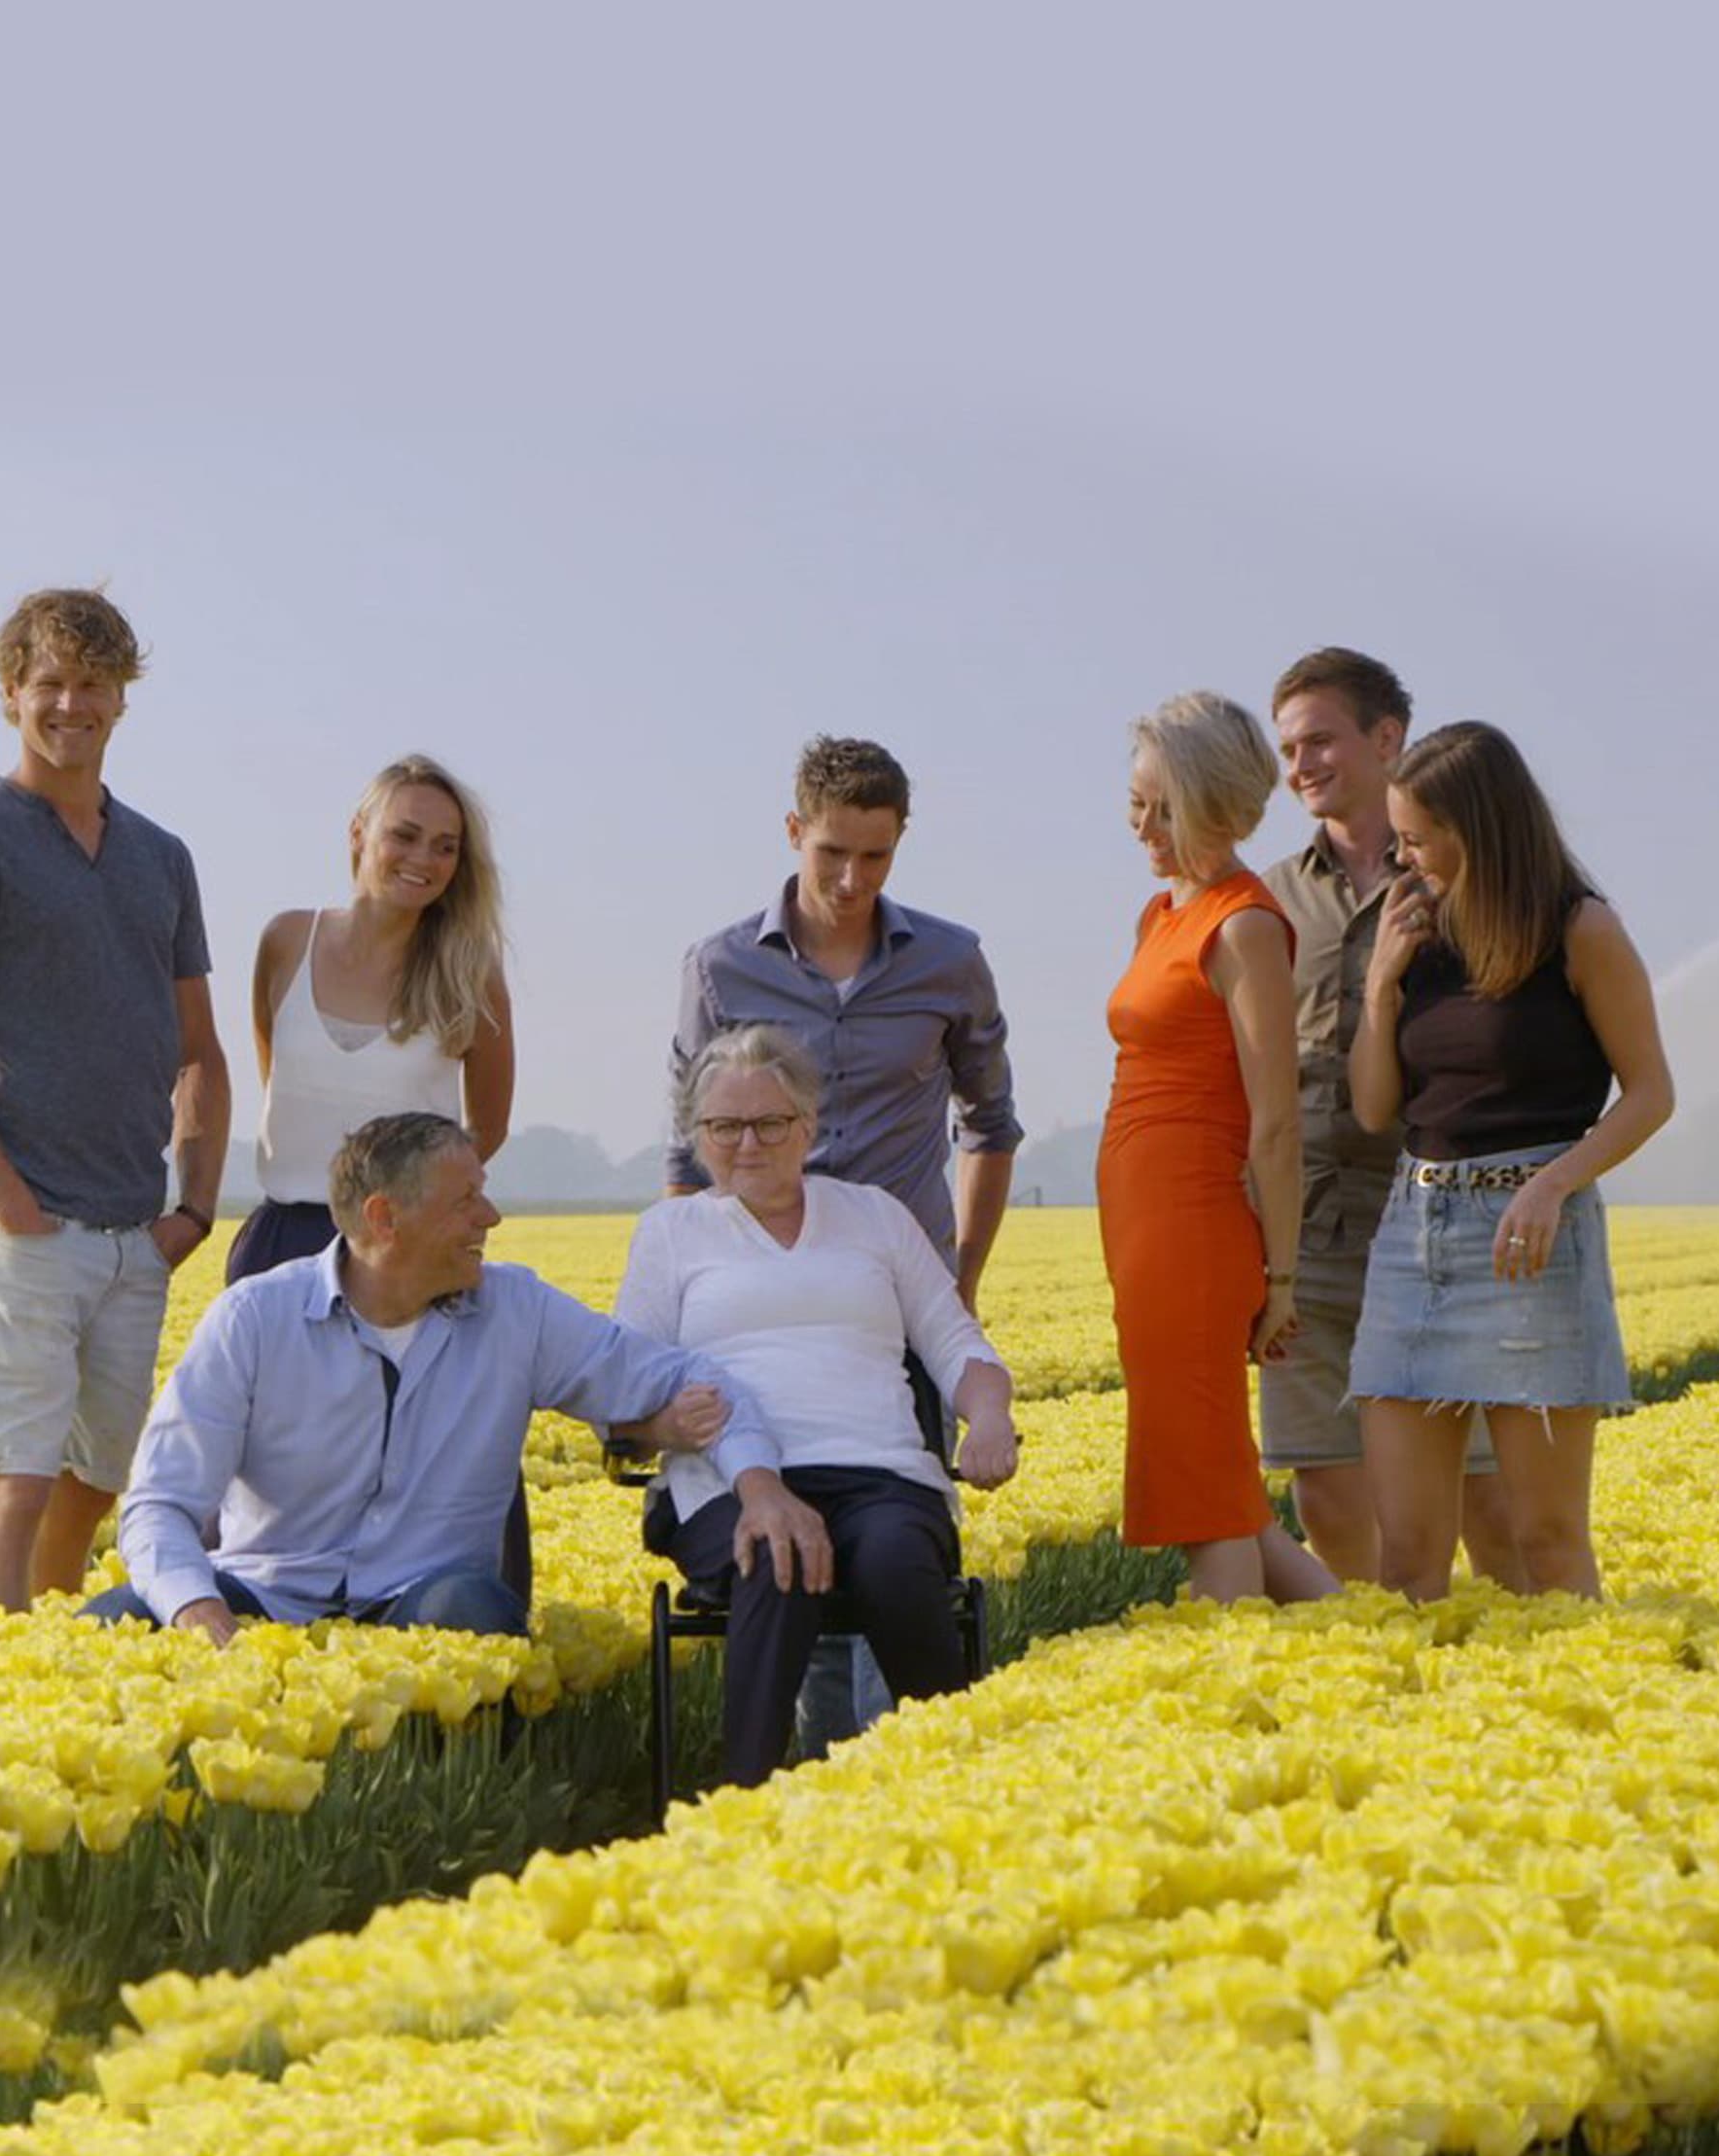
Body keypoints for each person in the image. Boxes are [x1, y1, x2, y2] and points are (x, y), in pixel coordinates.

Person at [88, 1112, 795, 1640]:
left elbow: (690, 1380)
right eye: (466, 1200)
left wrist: (754, 1481)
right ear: (384, 1217)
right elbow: (159, 1503)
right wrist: (198, 1609)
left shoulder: (517, 1310)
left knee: (471, 1609)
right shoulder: (254, 1319)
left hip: (421, 1605)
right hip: (270, 1599)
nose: (491, 1215)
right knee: (118, 1621)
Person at [667, 734, 1023, 1746]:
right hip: (757, 1298)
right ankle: (828, 1770)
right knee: (794, 1555)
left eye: (875, 857)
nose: (851, 879)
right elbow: (687, 1146)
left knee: (893, 1549)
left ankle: (900, 1768)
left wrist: (955, 1288)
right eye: (831, 854)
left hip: (892, 1292)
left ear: (899, 844)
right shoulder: (720, 964)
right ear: (792, 834)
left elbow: (990, 1125)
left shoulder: (950, 962)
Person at [0, 586, 230, 1613]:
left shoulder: (161, 857)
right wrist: (10, 1207)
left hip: (137, 1234)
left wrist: (192, 1210)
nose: (71, 705)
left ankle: (50, 1697)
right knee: (12, 1486)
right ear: (10, 694)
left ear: (123, 699)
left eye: (94, 684)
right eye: (50, 684)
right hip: (24, 1228)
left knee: (91, 1491)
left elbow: (201, 1054)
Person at [617, 1025, 1021, 1785]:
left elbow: (956, 1343)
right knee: (774, 1557)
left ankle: (955, 1789)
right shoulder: (671, 1233)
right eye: (724, 1127)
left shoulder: (872, 1215)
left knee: (900, 1564)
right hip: (726, 1487)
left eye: (769, 1123)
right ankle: (748, 1801)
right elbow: (625, 1385)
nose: (747, 1144)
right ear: (697, 1136)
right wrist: (661, 1426)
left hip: (881, 1475)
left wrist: (989, 1416)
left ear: (808, 1125)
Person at [1349, 722, 1673, 1600]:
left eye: (1416, 837)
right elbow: (1376, 1108)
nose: (1403, 857)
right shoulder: (1410, 925)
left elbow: (1650, 1093)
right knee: (1409, 1554)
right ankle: (1410, 1733)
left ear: (1481, 827)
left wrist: (1555, 1182)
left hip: (1531, 1244)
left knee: (1548, 1539)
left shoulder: (1581, 928)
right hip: (1413, 1237)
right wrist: (1381, 983)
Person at [1264, 650, 1524, 1588]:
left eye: (1320, 739)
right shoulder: (1268, 897)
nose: (1300, 766)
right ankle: (1395, 1670)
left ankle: (1506, 1678)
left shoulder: (1465, 883)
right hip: (1311, 1227)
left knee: (1488, 1497)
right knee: (1326, 1490)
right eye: (1288, 747)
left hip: (1436, 1225)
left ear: (1387, 738)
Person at [1097, 692, 1337, 1607]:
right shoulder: (1161, 916)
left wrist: (1279, 1282)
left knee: (1202, 1488)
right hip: (1144, 1225)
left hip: (1195, 1231)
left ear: (1221, 803)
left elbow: (1277, 1124)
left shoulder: (1244, 924)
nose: (1145, 827)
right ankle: (1381, 1663)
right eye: (1136, 803)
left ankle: (1227, 1699)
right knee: (1221, 1484)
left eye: (1166, 807)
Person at [226, 756, 512, 1282]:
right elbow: (278, 1084)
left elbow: (487, 1127)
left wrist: (419, 1202)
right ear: (358, 833)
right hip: (282, 1244)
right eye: (404, 836)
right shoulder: (286, 941)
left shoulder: (473, 973)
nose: (423, 858)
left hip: (404, 1249)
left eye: (445, 847)